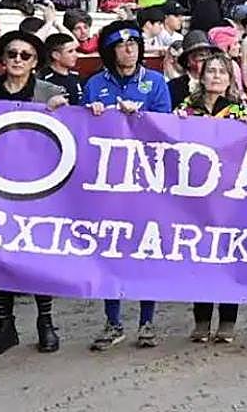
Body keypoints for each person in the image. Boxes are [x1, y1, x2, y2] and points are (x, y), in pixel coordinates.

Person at [0, 31, 69, 357]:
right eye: (11, 54)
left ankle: (46, 322)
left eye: (25, 55)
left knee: (37, 253)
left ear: (35, 61)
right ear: (2, 58)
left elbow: (72, 132)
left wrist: (60, 111)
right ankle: (5, 325)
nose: (17, 60)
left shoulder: (50, 91)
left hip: (38, 184)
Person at [83, 20, 171, 350]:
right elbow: (82, 130)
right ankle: (113, 321)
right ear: (110, 51)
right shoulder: (94, 84)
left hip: (147, 178)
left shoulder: (156, 82)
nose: (129, 49)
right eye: (121, 45)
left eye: (133, 43)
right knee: (110, 249)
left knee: (145, 249)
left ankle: (147, 322)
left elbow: (167, 128)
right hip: (108, 181)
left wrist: (141, 117)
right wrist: (92, 113)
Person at [175, 50, 247, 343]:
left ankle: (227, 321)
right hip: (196, 194)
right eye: (211, 71)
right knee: (200, 256)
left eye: (222, 72)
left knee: (228, 255)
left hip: (229, 194)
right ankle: (201, 321)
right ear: (202, 75)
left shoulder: (239, 108)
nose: (215, 76)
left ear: (229, 78)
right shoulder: (187, 108)